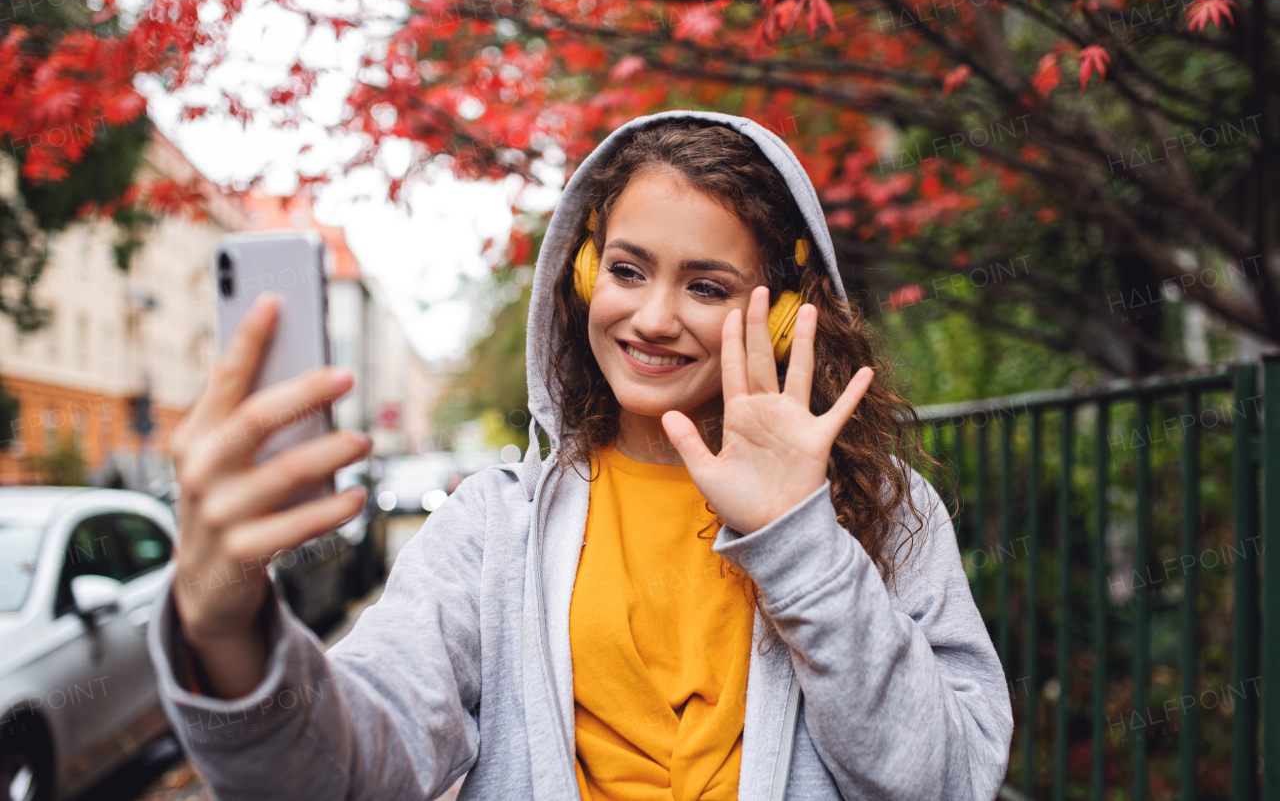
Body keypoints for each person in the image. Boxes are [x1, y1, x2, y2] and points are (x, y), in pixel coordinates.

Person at [149, 111, 1013, 801]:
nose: (653, 317)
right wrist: (227, 631)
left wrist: (802, 540)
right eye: (629, 270)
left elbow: (950, 780)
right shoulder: (495, 525)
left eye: (707, 287)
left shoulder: (885, 507)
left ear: (783, 316)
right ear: (584, 270)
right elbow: (337, 773)